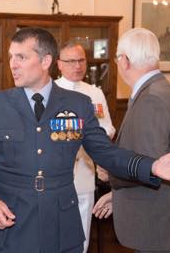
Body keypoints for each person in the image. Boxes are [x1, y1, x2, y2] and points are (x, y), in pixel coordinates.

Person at [0, 27, 170, 253]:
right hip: (10, 222)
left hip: (61, 225)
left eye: (21, 56)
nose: (13, 64)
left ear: (45, 61)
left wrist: (151, 165)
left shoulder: (78, 104)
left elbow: (107, 153)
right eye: (11, 56)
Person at [93, 28, 170, 252]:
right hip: (162, 222)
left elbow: (149, 165)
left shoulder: (151, 99)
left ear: (124, 61)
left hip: (159, 226)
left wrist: (110, 175)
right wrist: (117, 194)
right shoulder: (162, 90)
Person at [55, 42, 115, 253]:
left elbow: (107, 127)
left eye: (81, 60)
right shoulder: (50, 91)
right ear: (59, 64)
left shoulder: (95, 93)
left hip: (84, 174)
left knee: (81, 237)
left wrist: (94, 137)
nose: (77, 66)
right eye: (71, 61)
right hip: (56, 177)